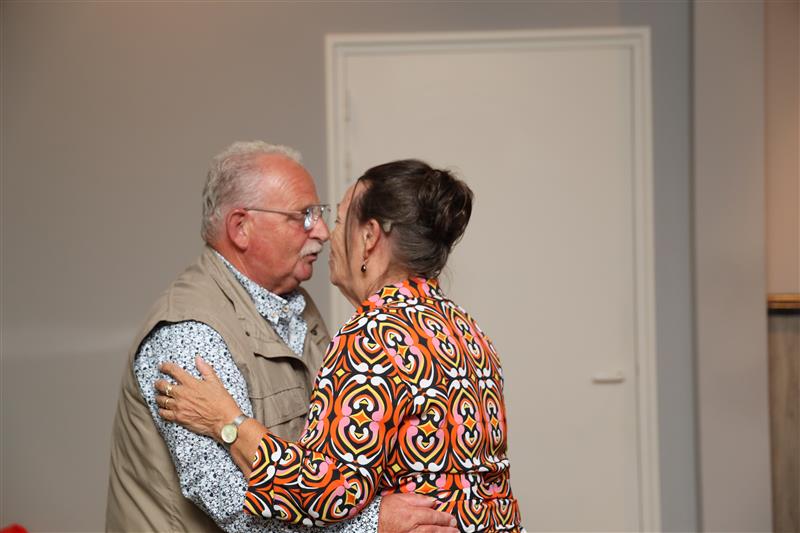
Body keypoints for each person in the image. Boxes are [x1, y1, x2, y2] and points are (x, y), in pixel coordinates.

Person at [106, 143, 458, 533]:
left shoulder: (301, 311)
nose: (322, 232)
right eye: (303, 216)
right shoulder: (190, 333)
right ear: (241, 227)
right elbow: (232, 502)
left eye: (320, 215)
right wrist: (372, 524)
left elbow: (340, 466)